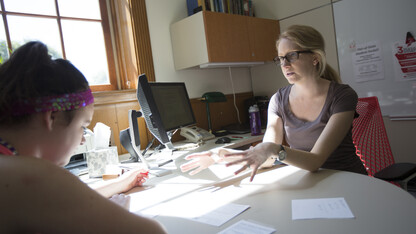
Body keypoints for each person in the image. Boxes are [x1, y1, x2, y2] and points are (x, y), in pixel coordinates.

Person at [0, 41, 166, 233]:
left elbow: (58, 200)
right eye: (83, 126)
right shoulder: (30, 174)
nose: (82, 140)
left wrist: (118, 184)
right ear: (51, 116)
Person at [181, 25, 367, 181]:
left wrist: (273, 149)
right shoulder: (278, 100)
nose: (285, 64)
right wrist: (221, 155)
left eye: (292, 55)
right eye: (280, 58)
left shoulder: (342, 96)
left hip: (348, 180)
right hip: (310, 182)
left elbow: (314, 161)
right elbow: (267, 156)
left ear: (315, 58)